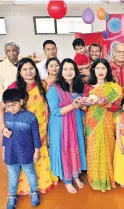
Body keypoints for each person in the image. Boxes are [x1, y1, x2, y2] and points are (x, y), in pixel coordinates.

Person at [0, 58, 58, 195]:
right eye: (24, 69)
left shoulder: (42, 84)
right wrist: (3, 127)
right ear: (19, 72)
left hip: (41, 128)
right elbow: (0, 108)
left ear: (35, 70)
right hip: (22, 129)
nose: (28, 72)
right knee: (25, 156)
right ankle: (25, 187)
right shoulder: (14, 88)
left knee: (40, 153)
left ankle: (42, 182)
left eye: (31, 68)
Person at [46, 58, 86, 193]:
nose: (68, 72)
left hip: (76, 123)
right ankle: (67, 180)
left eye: (71, 69)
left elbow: (81, 107)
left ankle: (75, 175)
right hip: (61, 126)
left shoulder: (78, 86)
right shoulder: (54, 88)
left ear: (75, 71)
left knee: (75, 148)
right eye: (65, 69)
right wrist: (73, 105)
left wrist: (84, 105)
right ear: (61, 71)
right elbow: (55, 112)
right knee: (65, 150)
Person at [83, 58, 124, 192]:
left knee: (109, 147)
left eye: (104, 68)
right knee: (94, 149)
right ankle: (96, 179)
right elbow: (84, 107)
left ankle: (109, 177)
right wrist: (85, 102)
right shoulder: (88, 87)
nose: (101, 71)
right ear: (93, 70)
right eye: (98, 68)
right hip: (92, 122)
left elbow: (117, 107)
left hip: (107, 120)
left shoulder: (114, 87)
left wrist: (107, 102)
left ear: (108, 70)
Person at [2, 89, 41, 209]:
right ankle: (12, 196)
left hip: (26, 152)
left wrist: (37, 151)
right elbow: (5, 135)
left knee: (30, 172)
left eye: (14, 105)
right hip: (10, 151)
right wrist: (3, 150)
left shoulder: (30, 117)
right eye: (8, 106)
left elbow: (36, 135)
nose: (11, 108)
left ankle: (34, 192)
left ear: (21, 101)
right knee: (12, 174)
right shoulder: (7, 115)